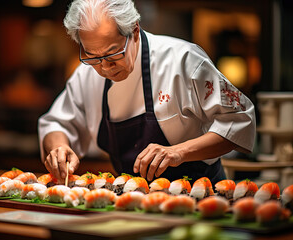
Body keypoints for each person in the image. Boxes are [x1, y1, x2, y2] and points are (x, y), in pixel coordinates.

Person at [38, 0, 256, 185]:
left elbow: (240, 120)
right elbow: (57, 123)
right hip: (131, 198)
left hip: (200, 195)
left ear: (134, 30)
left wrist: (179, 152)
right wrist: (59, 147)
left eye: (113, 55)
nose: (104, 67)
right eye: (93, 57)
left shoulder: (183, 60)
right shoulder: (86, 75)